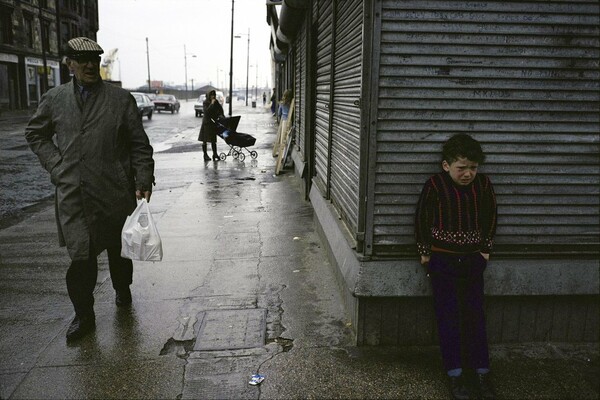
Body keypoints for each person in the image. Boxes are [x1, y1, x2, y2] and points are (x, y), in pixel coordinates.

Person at [24, 37, 155, 342]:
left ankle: (122, 289)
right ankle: (84, 315)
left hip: (113, 191)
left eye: (94, 60)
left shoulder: (121, 100)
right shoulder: (54, 98)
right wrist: (56, 166)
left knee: (118, 252)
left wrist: (143, 179)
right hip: (74, 196)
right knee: (81, 257)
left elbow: (139, 145)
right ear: (69, 64)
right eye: (81, 60)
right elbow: (35, 133)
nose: (89, 66)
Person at [415, 134, 497, 400]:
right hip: (443, 262)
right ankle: (456, 375)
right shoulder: (435, 186)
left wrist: (485, 249)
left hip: (472, 261)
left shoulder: (483, 186)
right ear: (446, 166)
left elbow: (491, 215)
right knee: (449, 317)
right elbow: (422, 218)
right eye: (462, 168)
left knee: (475, 317)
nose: (468, 174)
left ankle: (481, 375)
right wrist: (425, 252)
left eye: (473, 167)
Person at [198, 89, 224, 161]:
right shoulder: (205, 102)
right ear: (209, 96)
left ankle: (214, 154)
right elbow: (206, 112)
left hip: (213, 122)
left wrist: (221, 116)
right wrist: (211, 104)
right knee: (205, 140)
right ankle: (205, 155)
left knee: (213, 139)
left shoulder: (216, 102)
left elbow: (220, 110)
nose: (213, 96)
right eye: (211, 95)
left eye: (214, 95)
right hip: (207, 122)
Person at [273, 89, 293, 157]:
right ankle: (286, 154)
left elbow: (279, 113)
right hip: (290, 121)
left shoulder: (282, 103)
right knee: (288, 138)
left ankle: (283, 155)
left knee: (283, 139)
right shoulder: (291, 103)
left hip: (284, 121)